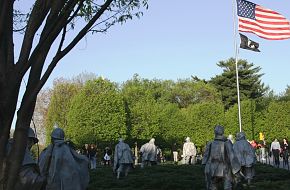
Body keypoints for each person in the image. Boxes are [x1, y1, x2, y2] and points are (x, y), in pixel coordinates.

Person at [202, 125, 241, 190]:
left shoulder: (210, 143)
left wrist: (205, 166)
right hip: (225, 168)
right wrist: (236, 169)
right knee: (227, 186)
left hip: (212, 168)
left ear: (215, 132)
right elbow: (232, 156)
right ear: (222, 132)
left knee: (213, 186)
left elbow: (205, 157)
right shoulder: (227, 142)